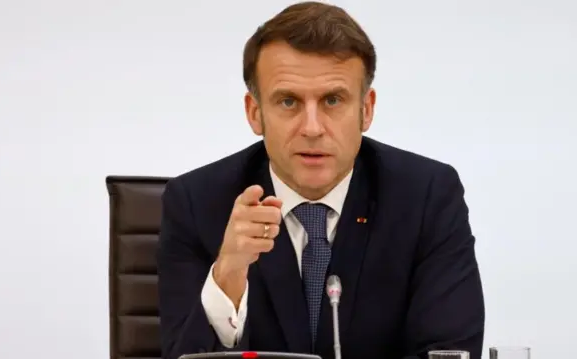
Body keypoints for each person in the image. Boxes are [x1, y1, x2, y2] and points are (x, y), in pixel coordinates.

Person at [157, 2, 485, 359]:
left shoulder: (426, 197)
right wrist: (228, 275)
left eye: (332, 100)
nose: (312, 128)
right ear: (255, 113)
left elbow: (448, 352)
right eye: (288, 102)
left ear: (366, 109)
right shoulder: (196, 203)